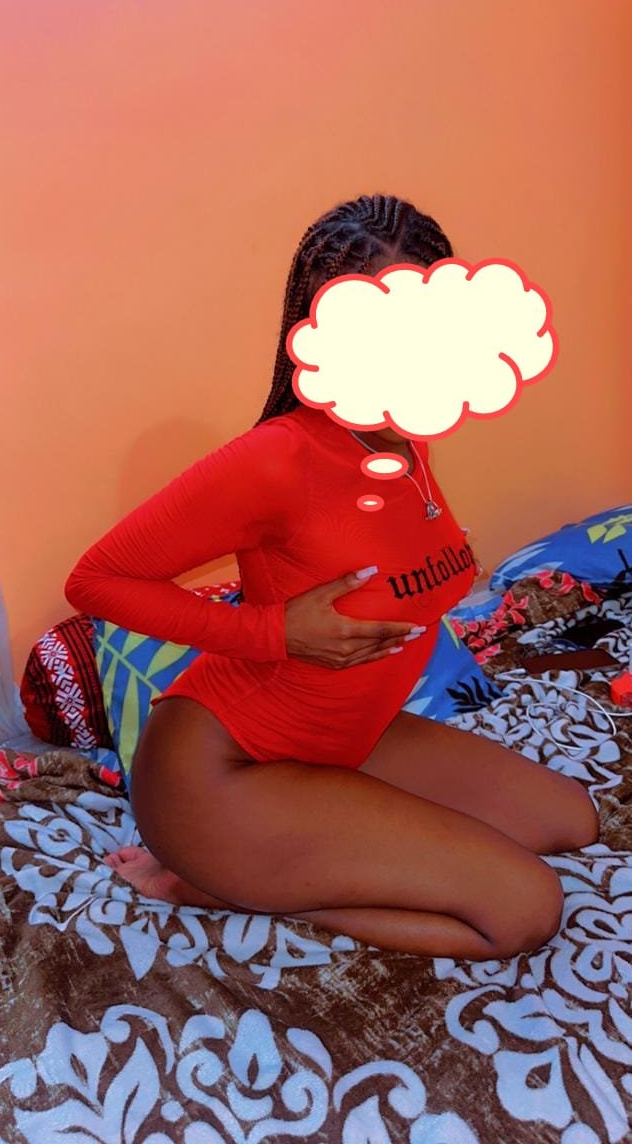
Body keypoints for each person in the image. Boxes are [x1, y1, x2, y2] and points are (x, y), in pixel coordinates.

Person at [65, 194, 599, 961]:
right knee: (524, 911)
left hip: (347, 739)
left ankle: (275, 863)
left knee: (572, 820)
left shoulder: (407, 438)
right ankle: (216, 882)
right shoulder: (277, 459)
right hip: (223, 775)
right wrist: (274, 630)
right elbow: (96, 580)